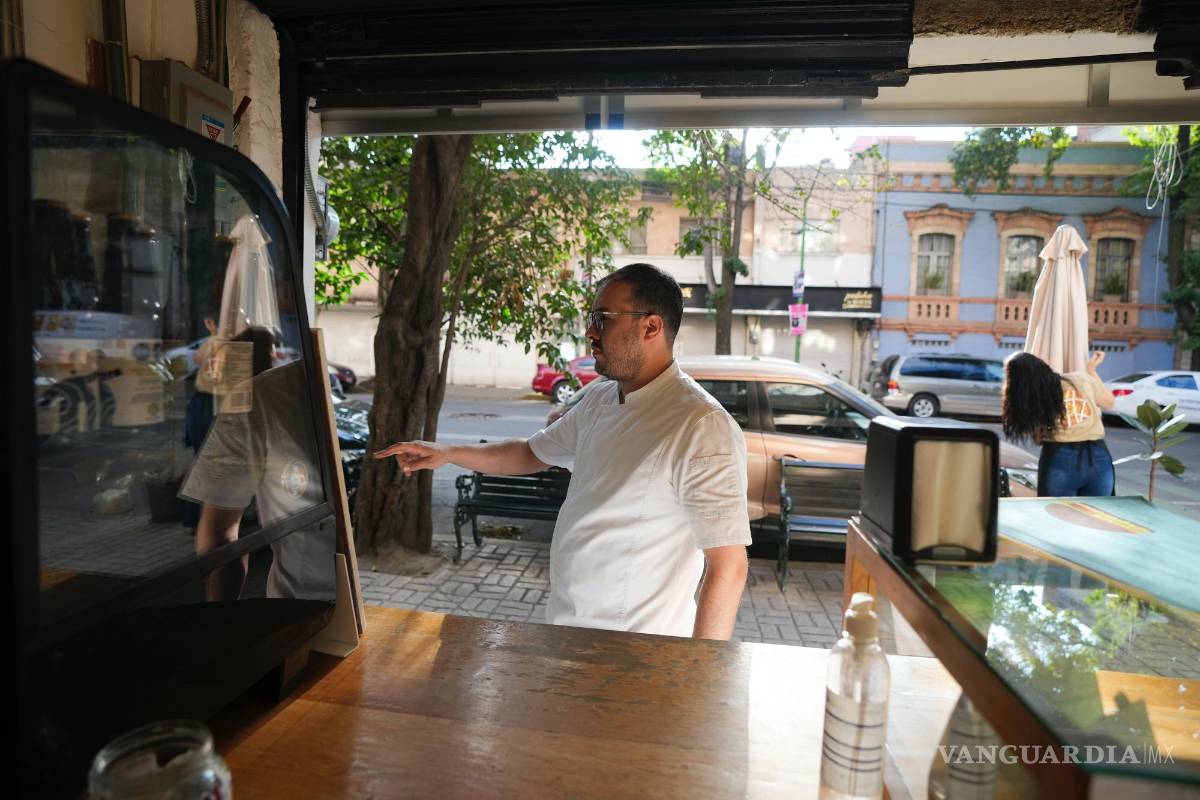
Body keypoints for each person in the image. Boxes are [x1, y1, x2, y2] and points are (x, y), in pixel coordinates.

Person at [375, 263, 751, 639]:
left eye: (603, 319)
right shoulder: (601, 399)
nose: (590, 331)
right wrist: (447, 452)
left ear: (650, 326)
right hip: (565, 628)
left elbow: (728, 565)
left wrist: (702, 675)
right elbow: (530, 453)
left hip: (638, 650)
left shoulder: (700, 425)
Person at [1002, 350, 1116, 497]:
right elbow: (1109, 403)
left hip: (1058, 460)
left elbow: (1038, 440)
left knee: (1057, 516)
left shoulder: (1035, 401)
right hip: (1098, 457)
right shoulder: (1080, 379)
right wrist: (1091, 370)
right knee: (1099, 516)